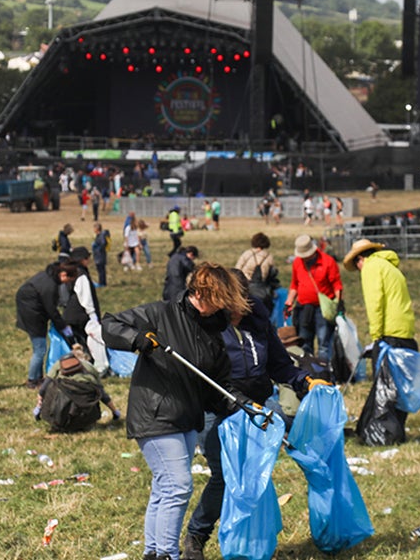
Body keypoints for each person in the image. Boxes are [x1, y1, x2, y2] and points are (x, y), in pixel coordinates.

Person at [102, 263, 239, 560]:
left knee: (165, 487)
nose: (224, 305)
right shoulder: (161, 314)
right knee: (178, 486)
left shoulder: (211, 329)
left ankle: (153, 552)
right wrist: (137, 339)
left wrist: (238, 403)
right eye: (220, 297)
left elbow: (218, 382)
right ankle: (167, 553)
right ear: (202, 292)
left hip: (187, 416)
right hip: (156, 411)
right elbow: (110, 325)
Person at [180, 271, 320, 558]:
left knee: (255, 476)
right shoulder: (205, 325)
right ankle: (196, 535)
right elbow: (204, 376)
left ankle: (251, 542)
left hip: (255, 409)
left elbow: (279, 364)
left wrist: (305, 381)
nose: (231, 312)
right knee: (223, 475)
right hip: (215, 409)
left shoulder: (257, 319)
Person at [343, 239, 417, 355]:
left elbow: (375, 304)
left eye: (356, 266)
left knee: (386, 372)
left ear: (360, 259)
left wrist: (376, 337)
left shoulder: (370, 268)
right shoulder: (387, 266)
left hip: (390, 332)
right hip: (405, 329)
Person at [286, 235, 341, 359]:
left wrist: (339, 302)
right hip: (304, 308)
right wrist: (289, 302)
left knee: (324, 344)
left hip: (322, 310)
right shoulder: (297, 263)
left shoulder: (328, 262)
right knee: (304, 343)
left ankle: (324, 373)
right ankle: (308, 373)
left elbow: (336, 284)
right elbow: (294, 284)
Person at [15, 257, 64, 389]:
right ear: (62, 274)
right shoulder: (49, 286)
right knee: (40, 350)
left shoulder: (47, 278)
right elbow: (51, 309)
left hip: (31, 312)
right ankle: (32, 380)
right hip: (33, 316)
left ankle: (38, 378)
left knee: (40, 348)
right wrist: (63, 327)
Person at [234, 233, 279, 321]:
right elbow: (273, 273)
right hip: (262, 289)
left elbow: (237, 269)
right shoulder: (268, 256)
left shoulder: (247, 254)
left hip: (245, 286)